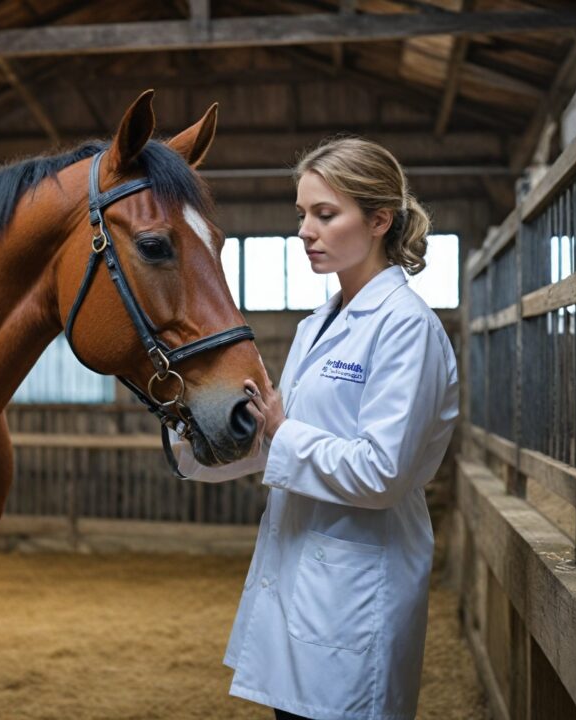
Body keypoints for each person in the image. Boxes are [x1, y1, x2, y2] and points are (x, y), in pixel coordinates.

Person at [172, 136, 459, 720]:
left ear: (379, 220)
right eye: (302, 213)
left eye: (326, 214)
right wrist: (192, 430)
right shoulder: (317, 325)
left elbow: (382, 473)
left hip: (355, 594)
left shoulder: (406, 327)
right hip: (301, 581)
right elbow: (278, 442)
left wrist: (282, 431)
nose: (306, 231)